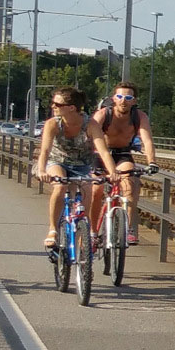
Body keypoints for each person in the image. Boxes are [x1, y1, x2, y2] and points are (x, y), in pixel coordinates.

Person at [33, 87, 116, 250]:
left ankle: (79, 241)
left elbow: (103, 151)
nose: (53, 106)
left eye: (57, 104)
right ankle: (53, 230)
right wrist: (42, 170)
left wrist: (112, 171)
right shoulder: (53, 124)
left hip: (82, 165)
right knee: (60, 186)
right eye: (53, 103)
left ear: (71, 108)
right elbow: (45, 151)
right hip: (57, 161)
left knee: (86, 198)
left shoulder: (90, 124)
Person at [90, 81, 156, 245]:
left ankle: (128, 229)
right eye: (119, 96)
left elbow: (147, 140)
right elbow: (89, 134)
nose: (123, 101)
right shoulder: (103, 114)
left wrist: (152, 162)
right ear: (114, 98)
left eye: (128, 97)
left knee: (129, 185)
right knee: (96, 191)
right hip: (100, 154)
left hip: (122, 154)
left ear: (134, 100)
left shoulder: (139, 117)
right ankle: (92, 231)